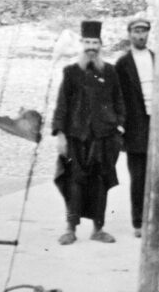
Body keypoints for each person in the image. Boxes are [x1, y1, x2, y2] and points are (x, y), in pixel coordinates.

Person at [52, 19, 125, 245]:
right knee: (73, 182)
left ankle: (98, 229)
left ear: (101, 45)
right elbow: (62, 105)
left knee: (100, 182)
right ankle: (70, 229)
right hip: (76, 137)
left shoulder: (110, 72)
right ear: (82, 44)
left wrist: (119, 127)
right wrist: (60, 134)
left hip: (103, 138)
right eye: (88, 42)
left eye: (95, 42)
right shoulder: (71, 72)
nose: (91, 47)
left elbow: (119, 103)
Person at [114, 17, 156, 238]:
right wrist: (121, 128)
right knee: (138, 177)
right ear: (129, 34)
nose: (141, 36)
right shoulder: (123, 64)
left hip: (155, 124)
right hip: (135, 127)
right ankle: (139, 222)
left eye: (144, 31)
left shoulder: (156, 59)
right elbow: (119, 97)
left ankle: (155, 221)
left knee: (155, 176)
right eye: (136, 32)